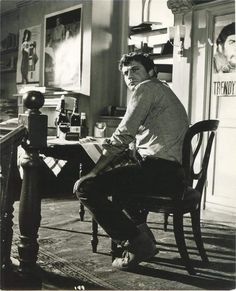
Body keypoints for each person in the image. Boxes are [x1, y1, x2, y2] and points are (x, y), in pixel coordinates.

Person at [73, 52, 189, 270]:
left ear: (151, 71)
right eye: (125, 73)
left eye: (135, 70)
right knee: (121, 186)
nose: (129, 76)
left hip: (161, 173)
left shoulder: (146, 88)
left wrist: (93, 172)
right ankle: (144, 240)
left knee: (86, 188)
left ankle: (137, 244)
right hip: (173, 173)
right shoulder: (161, 89)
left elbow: (123, 137)